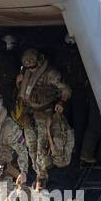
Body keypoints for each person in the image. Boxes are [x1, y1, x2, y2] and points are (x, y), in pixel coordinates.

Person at [15, 48, 72, 186]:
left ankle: (41, 177)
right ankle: (37, 171)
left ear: (39, 62)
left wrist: (61, 102)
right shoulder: (26, 74)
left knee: (42, 146)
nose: (30, 68)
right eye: (27, 66)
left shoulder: (51, 74)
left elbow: (66, 90)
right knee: (31, 145)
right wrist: (18, 83)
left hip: (45, 113)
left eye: (32, 66)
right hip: (29, 114)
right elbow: (24, 94)